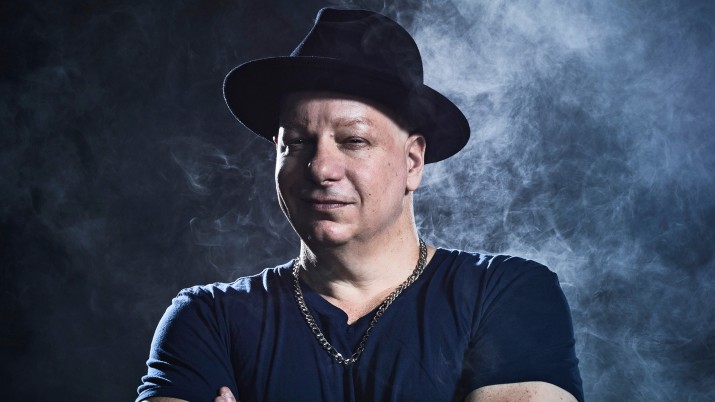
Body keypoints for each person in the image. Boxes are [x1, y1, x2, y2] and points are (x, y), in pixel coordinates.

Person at [137, 7, 583, 402]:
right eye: (297, 142)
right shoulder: (209, 319)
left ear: (412, 162)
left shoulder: (505, 295)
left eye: (353, 141)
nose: (320, 168)